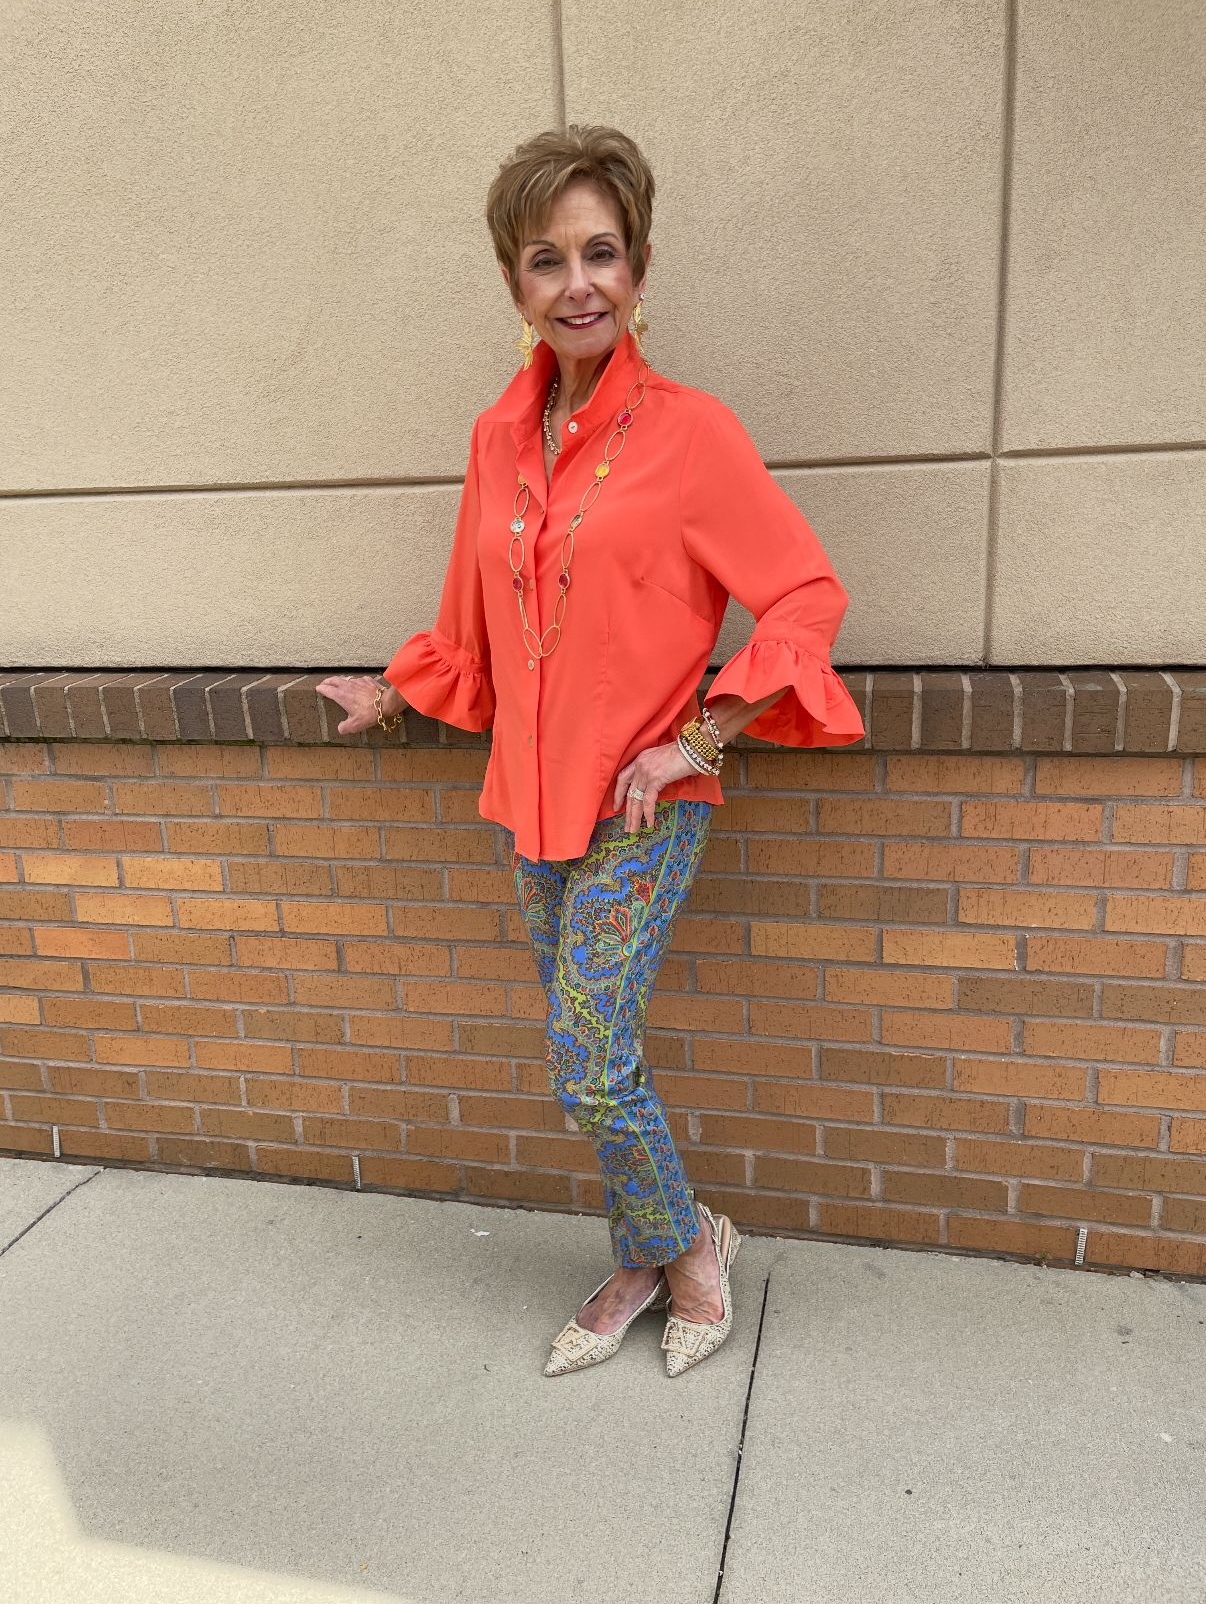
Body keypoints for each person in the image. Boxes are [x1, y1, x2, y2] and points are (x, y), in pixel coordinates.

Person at [318, 125, 864, 1378]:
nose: (578, 282)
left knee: (587, 1056)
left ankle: (682, 1249)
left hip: (641, 807)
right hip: (530, 800)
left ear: (641, 267)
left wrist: (699, 741)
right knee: (589, 1054)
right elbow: (471, 617)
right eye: (546, 258)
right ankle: (653, 1246)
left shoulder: (691, 434)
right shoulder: (496, 443)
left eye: (601, 252)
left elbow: (804, 597)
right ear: (515, 285)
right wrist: (397, 696)